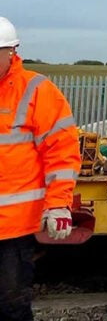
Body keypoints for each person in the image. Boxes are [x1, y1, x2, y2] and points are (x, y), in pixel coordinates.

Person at [0, 17, 81, 321]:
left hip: (12, 228)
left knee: (10, 304)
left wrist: (58, 204)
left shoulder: (36, 91)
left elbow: (61, 151)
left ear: (12, 52)